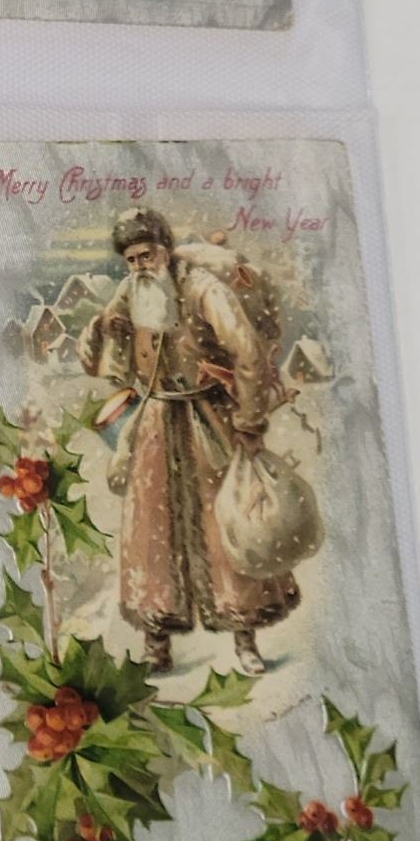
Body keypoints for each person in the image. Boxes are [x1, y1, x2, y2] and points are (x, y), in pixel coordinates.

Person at [79, 209, 298, 677]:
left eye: (147, 255)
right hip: (156, 420)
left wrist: (249, 419)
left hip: (208, 420)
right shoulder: (130, 290)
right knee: (151, 531)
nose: (140, 266)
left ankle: (245, 640)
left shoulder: (204, 289)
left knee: (227, 525)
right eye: (131, 259)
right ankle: (156, 646)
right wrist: (102, 330)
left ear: (165, 250)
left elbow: (247, 350)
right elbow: (102, 339)